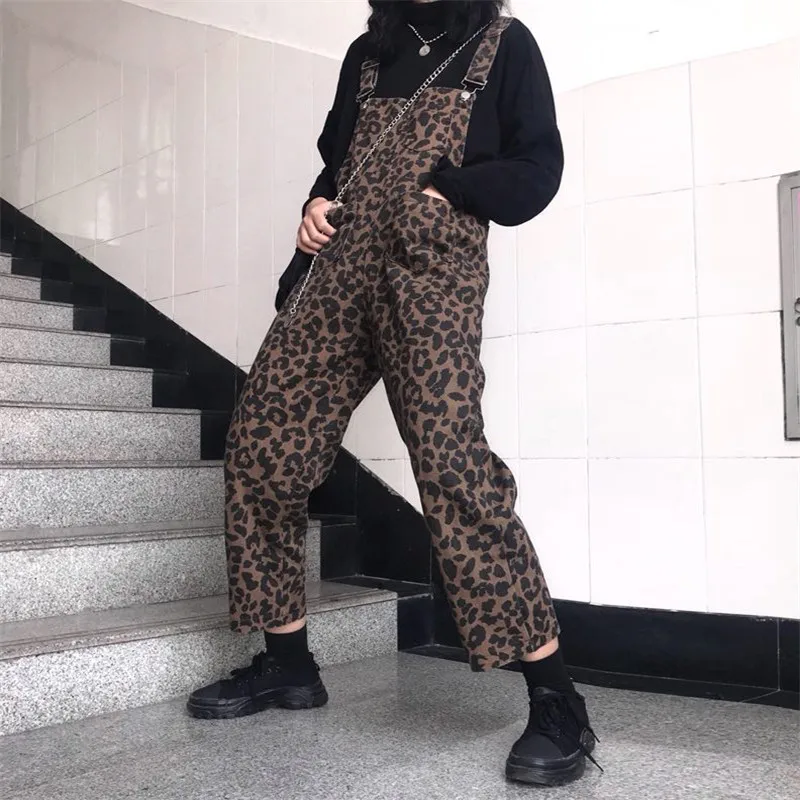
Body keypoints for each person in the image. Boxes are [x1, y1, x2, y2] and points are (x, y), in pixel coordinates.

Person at [188, 0, 599, 787]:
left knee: (452, 465)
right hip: (337, 272)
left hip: (430, 269)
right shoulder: (367, 54)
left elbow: (537, 169)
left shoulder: (502, 44)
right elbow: (339, 165)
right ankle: (287, 662)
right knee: (262, 446)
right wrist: (314, 209)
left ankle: (557, 701)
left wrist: (449, 190)